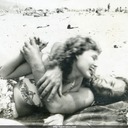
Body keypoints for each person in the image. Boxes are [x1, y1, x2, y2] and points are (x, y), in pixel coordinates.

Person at [0, 35, 101, 120]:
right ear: (78, 54)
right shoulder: (45, 61)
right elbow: (4, 75)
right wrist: (23, 55)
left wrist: (60, 115)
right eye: (93, 58)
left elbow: (60, 105)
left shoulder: (75, 86)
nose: (96, 65)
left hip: (9, 110)